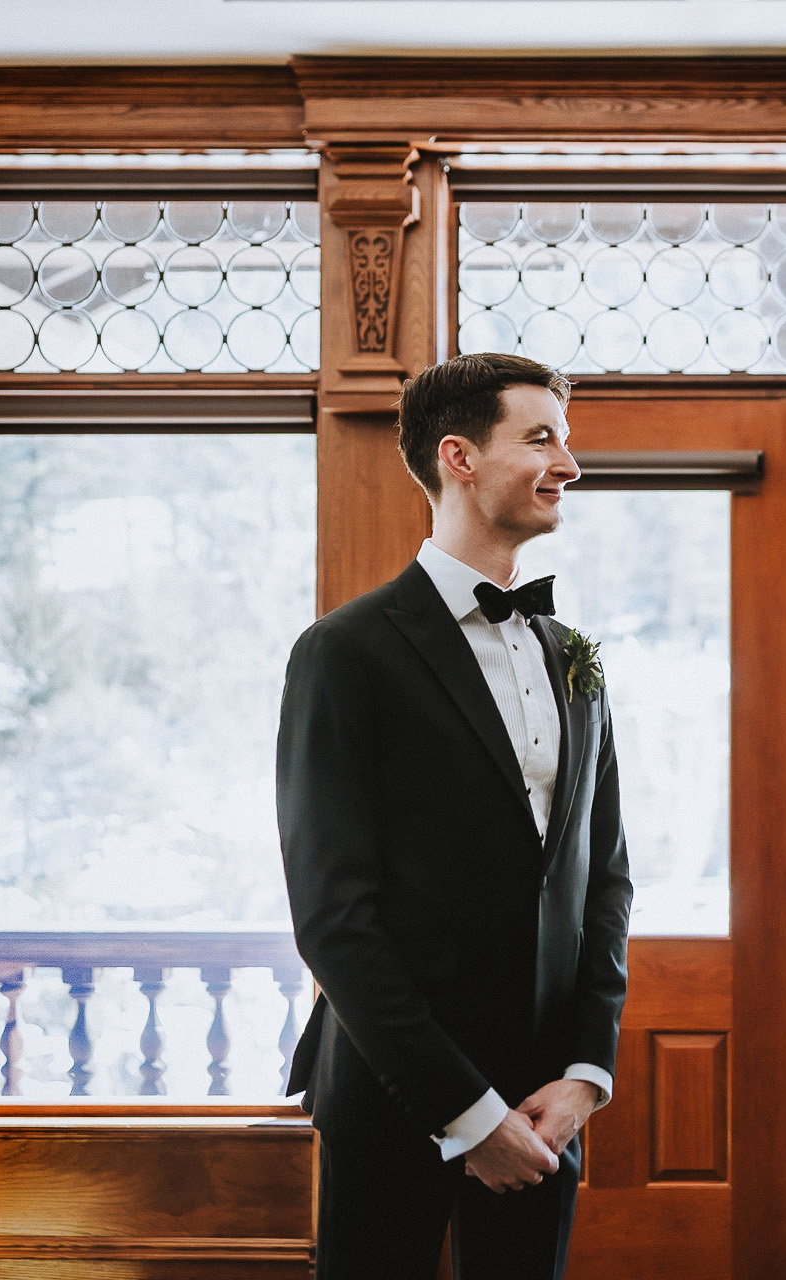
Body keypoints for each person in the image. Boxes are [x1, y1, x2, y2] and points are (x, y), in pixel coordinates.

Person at [277, 352, 631, 1280]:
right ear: (459, 458)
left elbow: (604, 877)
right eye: (542, 438)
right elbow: (333, 919)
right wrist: (468, 1115)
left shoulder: (571, 656)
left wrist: (585, 1076)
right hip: (395, 1089)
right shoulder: (343, 653)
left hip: (545, 1100)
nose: (570, 464)